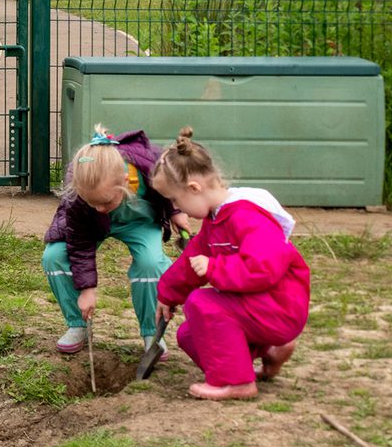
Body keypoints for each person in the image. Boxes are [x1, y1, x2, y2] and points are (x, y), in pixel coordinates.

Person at [150, 129, 310, 401]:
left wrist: (214, 269)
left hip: (279, 306)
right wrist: (167, 294)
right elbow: (191, 262)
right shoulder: (216, 219)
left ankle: (236, 383)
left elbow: (264, 267)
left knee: (202, 303)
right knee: (189, 334)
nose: (178, 207)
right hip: (256, 305)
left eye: (176, 200)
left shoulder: (247, 216)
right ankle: (268, 352)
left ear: (194, 188)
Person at [41, 127, 183, 361]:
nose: (99, 208)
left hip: (139, 221)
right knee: (54, 255)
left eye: (105, 201)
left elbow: (170, 186)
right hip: (92, 227)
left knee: (151, 263)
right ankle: (78, 324)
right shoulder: (80, 192)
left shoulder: (147, 162)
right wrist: (87, 289)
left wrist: (175, 212)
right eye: (92, 203)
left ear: (125, 182)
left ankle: (151, 334)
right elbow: (79, 243)